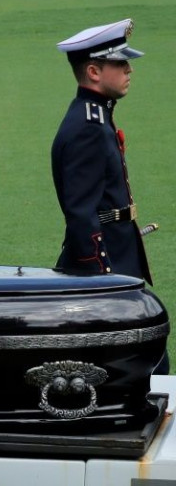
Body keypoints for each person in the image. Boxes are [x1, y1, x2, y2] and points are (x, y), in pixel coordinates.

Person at [53, 19, 167, 374]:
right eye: (120, 63)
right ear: (93, 71)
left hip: (118, 251)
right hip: (106, 262)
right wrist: (103, 280)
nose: (129, 69)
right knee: (140, 362)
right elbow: (81, 214)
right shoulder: (88, 128)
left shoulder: (97, 117)